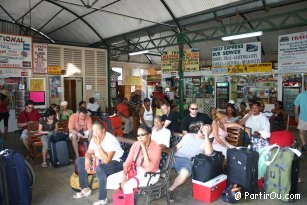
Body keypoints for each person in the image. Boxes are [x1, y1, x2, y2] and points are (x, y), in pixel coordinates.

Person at [73, 122, 124, 205]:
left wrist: (98, 145)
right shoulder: (94, 138)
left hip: (117, 162)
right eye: (93, 131)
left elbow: (107, 161)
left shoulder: (111, 139)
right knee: (80, 161)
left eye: (97, 130)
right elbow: (89, 152)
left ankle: (103, 199)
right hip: (101, 160)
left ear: (103, 130)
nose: (95, 133)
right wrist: (87, 159)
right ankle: (86, 189)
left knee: (101, 168)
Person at [168, 124, 214, 201]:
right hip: (175, 157)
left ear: (209, 133)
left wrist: (206, 135)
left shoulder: (205, 143)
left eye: (209, 128)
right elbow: (177, 147)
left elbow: (209, 152)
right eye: (205, 126)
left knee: (185, 173)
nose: (207, 127)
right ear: (201, 127)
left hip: (186, 161)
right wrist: (171, 155)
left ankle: (170, 189)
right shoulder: (188, 135)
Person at [121, 125, 161, 194]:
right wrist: (124, 178)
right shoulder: (136, 144)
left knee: (127, 186)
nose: (139, 138)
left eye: (142, 135)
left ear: (149, 135)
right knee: (112, 180)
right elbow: (127, 163)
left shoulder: (156, 147)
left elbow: (149, 168)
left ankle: (129, 201)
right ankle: (124, 200)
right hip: (136, 171)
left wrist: (143, 147)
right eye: (138, 135)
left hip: (150, 174)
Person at [294, 84, 307, 151]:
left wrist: (296, 115)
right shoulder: (300, 95)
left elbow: (296, 106)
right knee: (302, 132)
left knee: (301, 133)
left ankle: (304, 144)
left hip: (303, 118)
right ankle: (305, 145)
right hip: (302, 117)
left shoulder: (300, 95)